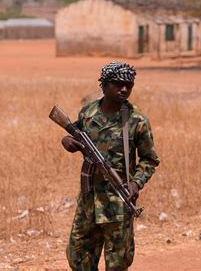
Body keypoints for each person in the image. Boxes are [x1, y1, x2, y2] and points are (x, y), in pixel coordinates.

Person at [61, 61, 160, 271]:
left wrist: (135, 184)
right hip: (89, 202)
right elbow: (74, 135)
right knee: (77, 257)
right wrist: (67, 141)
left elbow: (149, 159)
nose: (124, 89)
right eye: (117, 84)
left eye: (129, 85)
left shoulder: (136, 120)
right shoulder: (87, 113)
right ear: (104, 85)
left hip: (118, 204)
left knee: (118, 263)